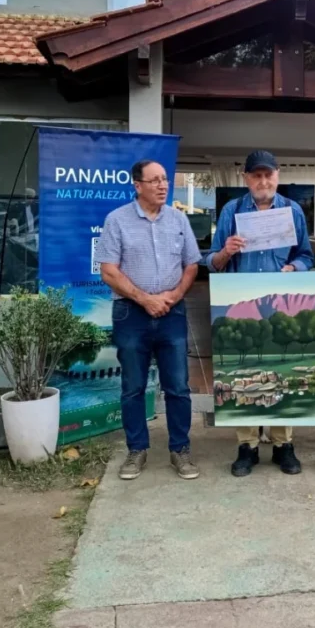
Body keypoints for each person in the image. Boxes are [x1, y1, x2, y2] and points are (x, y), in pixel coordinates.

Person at [208, 150, 314, 477]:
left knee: (281, 370)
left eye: (268, 175)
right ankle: (247, 446)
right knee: (243, 372)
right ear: (246, 178)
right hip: (241, 301)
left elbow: (306, 256)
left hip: (279, 303)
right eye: (256, 175)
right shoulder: (232, 210)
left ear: (277, 176)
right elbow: (211, 261)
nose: (263, 181)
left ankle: (283, 445)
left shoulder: (293, 210)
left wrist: (294, 268)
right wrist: (226, 251)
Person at [97, 159, 202, 481]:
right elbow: (108, 271)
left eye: (165, 179)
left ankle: (180, 449)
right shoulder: (117, 220)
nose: (163, 185)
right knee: (133, 387)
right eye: (154, 180)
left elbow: (192, 265)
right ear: (138, 185)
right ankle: (136, 450)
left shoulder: (179, 219)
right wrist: (145, 299)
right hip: (131, 313)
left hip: (172, 312)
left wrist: (173, 295)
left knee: (178, 386)